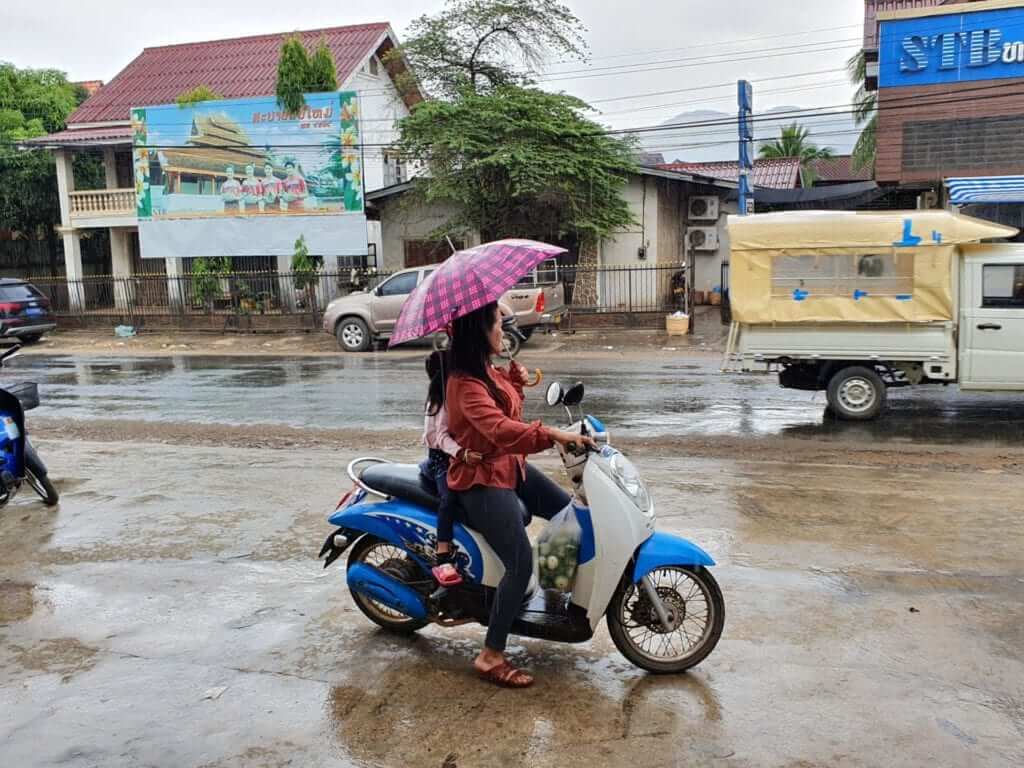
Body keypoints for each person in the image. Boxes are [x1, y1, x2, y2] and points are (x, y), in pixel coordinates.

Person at [446, 301, 595, 688]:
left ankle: (554, 586)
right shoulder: (464, 384)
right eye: (498, 324)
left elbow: (507, 415)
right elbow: (500, 429)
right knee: (520, 562)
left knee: (569, 511)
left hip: (509, 465)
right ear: (479, 331)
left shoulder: (487, 371)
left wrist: (513, 382)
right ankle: (491, 654)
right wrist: (553, 435)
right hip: (481, 479)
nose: (503, 331)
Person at [420, 350, 480, 575]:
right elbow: (441, 438)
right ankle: (443, 551)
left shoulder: (451, 395)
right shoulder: (440, 401)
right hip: (441, 459)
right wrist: (462, 453)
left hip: (451, 455)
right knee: (449, 497)